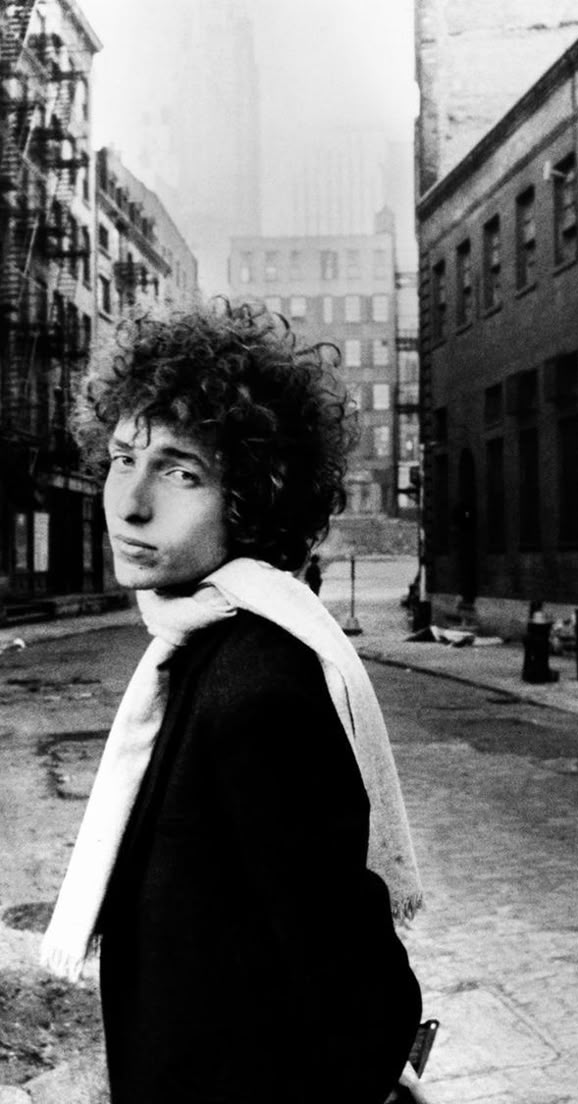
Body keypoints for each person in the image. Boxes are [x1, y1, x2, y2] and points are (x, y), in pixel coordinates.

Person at [40, 303, 424, 1104]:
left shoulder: (257, 686)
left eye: (180, 471)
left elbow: (346, 971)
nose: (130, 502)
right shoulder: (196, 646)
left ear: (254, 496)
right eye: (121, 459)